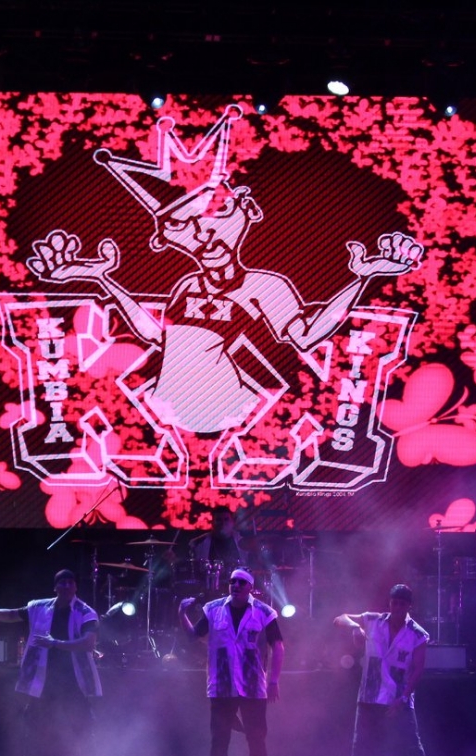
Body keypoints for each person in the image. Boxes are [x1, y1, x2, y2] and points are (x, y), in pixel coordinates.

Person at [27, 105, 421, 478]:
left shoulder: (264, 286)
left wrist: (362, 279)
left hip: (228, 417)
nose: (201, 233)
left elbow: (307, 333)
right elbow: (156, 336)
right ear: (169, 239)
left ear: (244, 211)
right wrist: (101, 279)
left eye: (212, 212)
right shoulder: (186, 285)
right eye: (184, 225)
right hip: (169, 417)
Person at [0, 570, 110, 756]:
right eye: (62, 583)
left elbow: (88, 643)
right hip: (42, 681)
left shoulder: (86, 612)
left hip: (73, 681)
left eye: (70, 582)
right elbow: (13, 614)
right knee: (34, 728)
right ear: (55, 587)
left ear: (76, 587)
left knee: (83, 730)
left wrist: (55, 644)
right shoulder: (40, 607)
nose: (67, 586)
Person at [179, 567, 285, 756]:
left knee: (256, 740)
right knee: (219, 741)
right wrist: (181, 613)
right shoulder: (214, 609)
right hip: (222, 685)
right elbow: (194, 635)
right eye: (232, 581)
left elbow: (278, 646)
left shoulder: (264, 612)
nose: (235, 585)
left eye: (241, 582)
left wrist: (274, 681)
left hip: (253, 686)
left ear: (250, 588)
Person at [333, 583, 430, 756]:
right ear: (390, 603)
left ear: (409, 606)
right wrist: (354, 628)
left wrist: (404, 697)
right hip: (369, 694)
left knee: (412, 743)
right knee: (361, 744)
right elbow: (340, 618)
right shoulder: (373, 620)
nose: (397, 607)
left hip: (399, 696)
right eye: (394, 602)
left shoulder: (417, 634)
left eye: (402, 604)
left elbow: (418, 669)